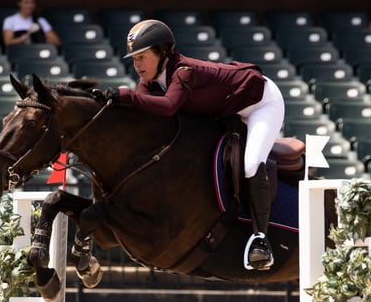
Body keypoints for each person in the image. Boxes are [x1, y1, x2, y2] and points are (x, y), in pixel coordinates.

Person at [103, 19, 285, 271]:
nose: (137, 65)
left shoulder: (184, 71)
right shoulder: (150, 82)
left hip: (261, 102)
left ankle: (260, 239)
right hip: (228, 109)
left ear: (163, 53)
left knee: (252, 163)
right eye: (134, 59)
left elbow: (167, 107)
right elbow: (144, 118)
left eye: (142, 57)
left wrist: (127, 96)